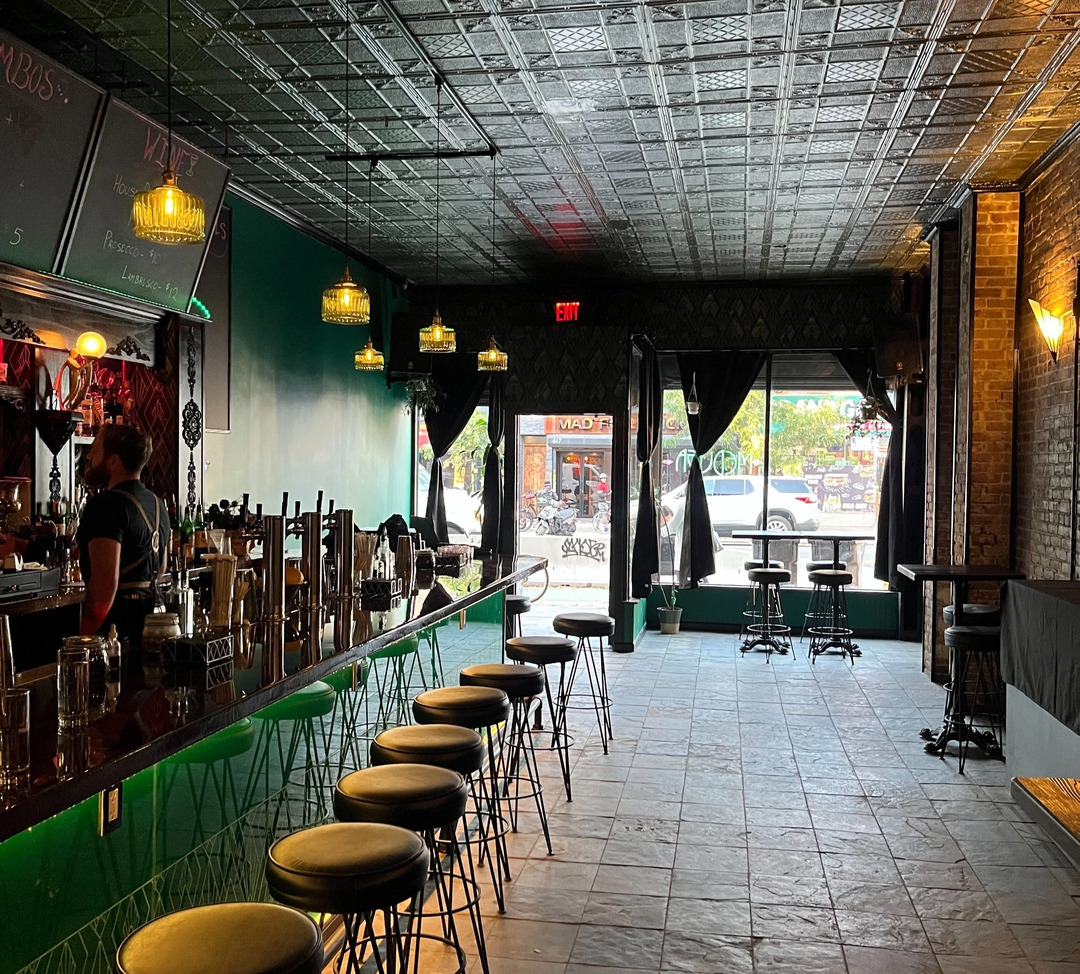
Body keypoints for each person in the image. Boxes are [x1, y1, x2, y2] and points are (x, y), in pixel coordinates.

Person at [76, 425, 170, 640]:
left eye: (95, 451)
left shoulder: (105, 505)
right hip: (154, 623)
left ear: (114, 460)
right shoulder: (158, 504)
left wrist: (85, 638)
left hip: (118, 627)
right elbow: (161, 567)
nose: (88, 456)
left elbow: (104, 586)